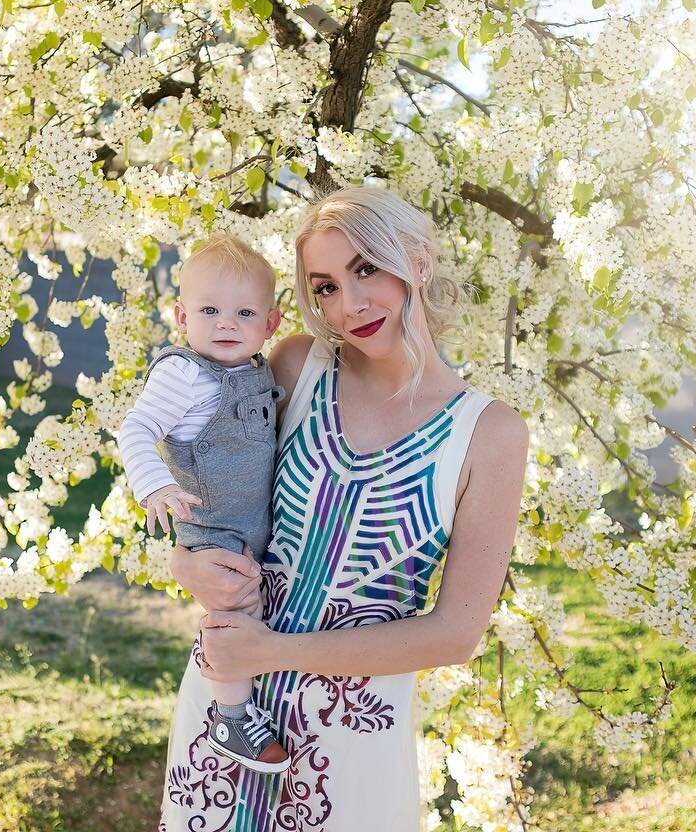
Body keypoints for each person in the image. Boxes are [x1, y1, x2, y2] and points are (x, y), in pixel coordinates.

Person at [159, 187, 530, 831]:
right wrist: (182, 561)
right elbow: (209, 480)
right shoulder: (297, 366)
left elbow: (455, 634)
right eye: (324, 285)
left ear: (415, 259)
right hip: (226, 706)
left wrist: (270, 651)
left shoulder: (489, 433)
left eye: (365, 270)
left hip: (348, 739)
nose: (349, 305)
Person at [117, 234, 291, 773]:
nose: (226, 324)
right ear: (181, 316)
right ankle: (230, 716)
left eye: (244, 313)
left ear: (271, 324)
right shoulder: (185, 373)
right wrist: (154, 487)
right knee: (233, 611)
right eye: (209, 310)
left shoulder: (254, 368)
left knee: (251, 610)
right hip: (213, 525)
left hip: (253, 522)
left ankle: (246, 697)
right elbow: (137, 427)